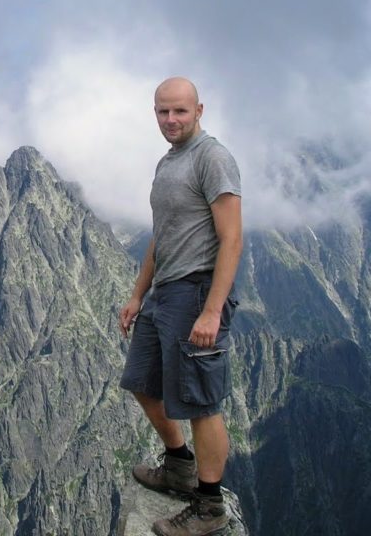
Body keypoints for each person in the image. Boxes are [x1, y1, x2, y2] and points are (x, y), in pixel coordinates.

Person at [118, 77, 242, 536]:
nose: (171, 119)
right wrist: (138, 295)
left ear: (199, 111)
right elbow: (161, 235)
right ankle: (178, 466)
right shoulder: (168, 162)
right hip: (163, 293)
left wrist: (212, 310)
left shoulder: (213, 158)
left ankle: (209, 505)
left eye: (180, 111)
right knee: (141, 381)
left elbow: (232, 238)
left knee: (201, 403)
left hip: (196, 292)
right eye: (163, 111)